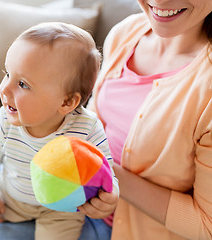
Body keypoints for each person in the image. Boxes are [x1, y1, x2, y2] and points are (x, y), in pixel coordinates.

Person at [0, 22, 119, 240]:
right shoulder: (3, 122)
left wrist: (111, 193)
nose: (5, 89)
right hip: (11, 195)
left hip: (61, 211)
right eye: (7, 73)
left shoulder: (87, 129)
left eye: (23, 84)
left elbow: (105, 167)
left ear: (67, 102)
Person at [81, 0, 212, 239]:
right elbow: (91, 125)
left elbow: (207, 225)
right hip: (78, 206)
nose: (160, 1)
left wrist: (105, 171)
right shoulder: (127, 32)